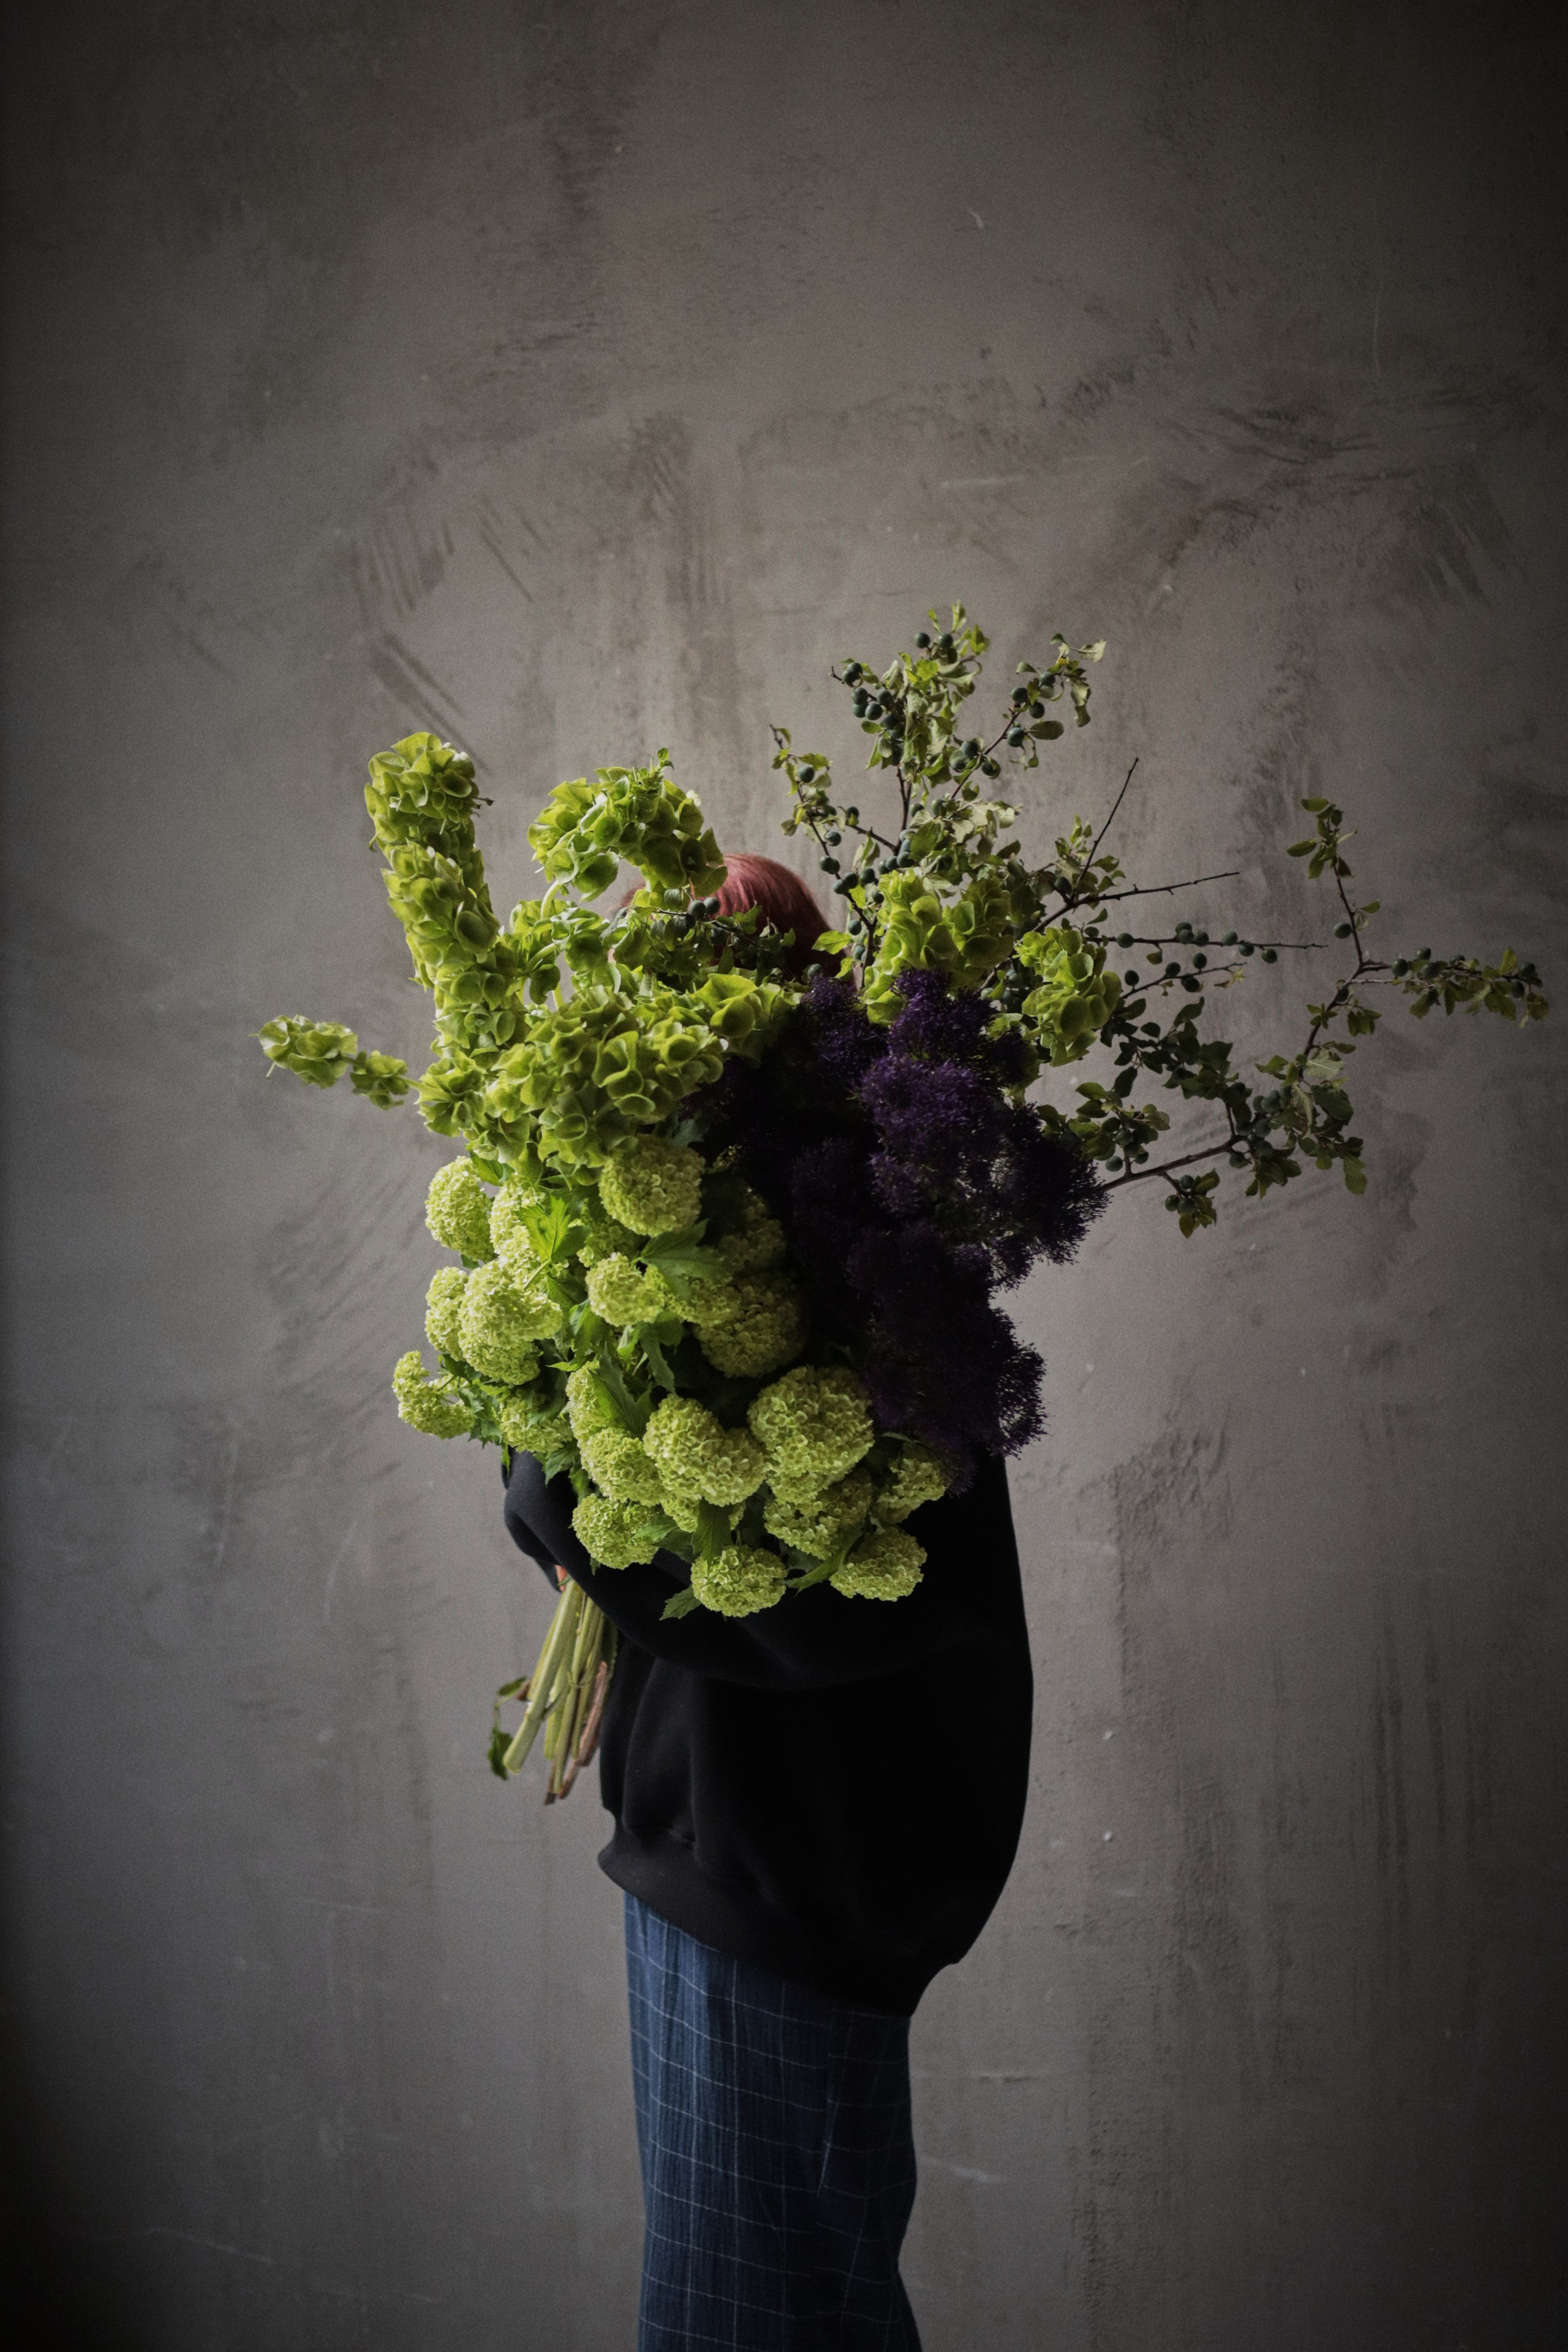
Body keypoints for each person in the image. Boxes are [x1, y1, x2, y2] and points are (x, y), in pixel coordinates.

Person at [502, 855, 1034, 2352]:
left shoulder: (843, 1269)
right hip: (748, 1868)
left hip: (778, 1880)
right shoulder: (794, 1242)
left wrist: (551, 1487)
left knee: (762, 2316)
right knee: (783, 2300)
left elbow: (820, 1610)